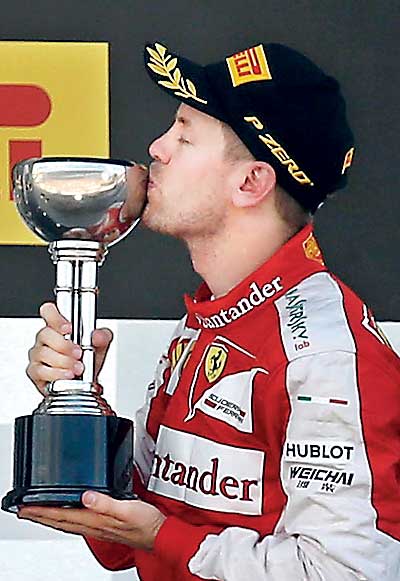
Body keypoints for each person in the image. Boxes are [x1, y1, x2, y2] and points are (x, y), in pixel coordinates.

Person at [19, 42, 400, 580]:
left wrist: (159, 536)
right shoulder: (206, 322)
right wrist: (80, 406)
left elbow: (348, 571)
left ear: (251, 183)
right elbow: (133, 539)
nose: (157, 147)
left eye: (184, 134)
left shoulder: (324, 354)